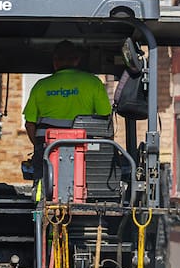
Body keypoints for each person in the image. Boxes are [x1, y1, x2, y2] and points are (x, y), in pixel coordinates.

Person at [22, 40, 113, 177]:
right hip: (83, 146)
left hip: (47, 147)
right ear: (77, 60)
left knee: (43, 180)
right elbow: (105, 121)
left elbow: (29, 124)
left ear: (55, 61)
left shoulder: (41, 86)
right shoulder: (93, 83)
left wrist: (39, 147)